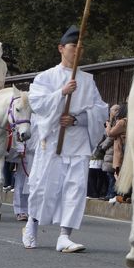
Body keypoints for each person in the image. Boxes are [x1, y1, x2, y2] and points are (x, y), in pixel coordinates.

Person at [22, 26, 107, 252]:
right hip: (52, 142)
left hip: (77, 142)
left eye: (81, 47)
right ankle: (32, 223)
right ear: (61, 48)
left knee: (75, 188)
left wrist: (78, 120)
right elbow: (37, 104)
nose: (78, 51)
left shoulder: (88, 80)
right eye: (73, 47)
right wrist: (61, 93)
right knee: (44, 186)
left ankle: (64, 235)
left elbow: (100, 110)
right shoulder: (46, 77)